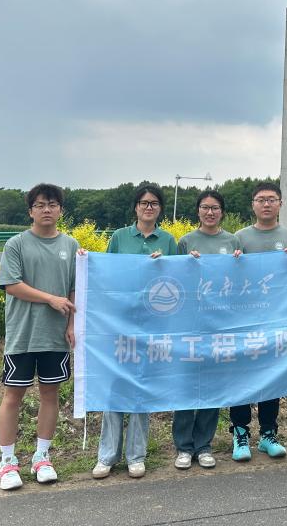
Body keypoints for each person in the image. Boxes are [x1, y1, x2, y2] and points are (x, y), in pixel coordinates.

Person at [0, 183, 79, 491]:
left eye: (52, 204)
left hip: (55, 335)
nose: (47, 209)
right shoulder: (16, 244)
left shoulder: (70, 245)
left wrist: (71, 323)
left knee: (50, 395)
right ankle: (7, 462)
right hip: (23, 334)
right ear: (30, 211)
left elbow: (75, 287)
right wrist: (50, 299)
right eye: (40, 205)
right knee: (13, 396)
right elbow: (11, 284)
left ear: (60, 210)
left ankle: (42, 457)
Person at [93, 183, 178, 480]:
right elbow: (105, 274)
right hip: (119, 324)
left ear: (160, 209)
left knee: (141, 387)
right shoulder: (119, 237)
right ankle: (107, 455)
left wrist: (162, 266)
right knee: (114, 386)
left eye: (154, 203)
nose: (148, 207)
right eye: (144, 203)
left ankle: (136, 455)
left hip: (152, 326)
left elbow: (177, 281)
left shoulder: (168, 240)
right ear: (135, 207)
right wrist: (86, 259)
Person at [229, 181, 287, 462]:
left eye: (272, 199)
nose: (266, 204)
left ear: (281, 204)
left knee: (272, 376)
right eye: (261, 199)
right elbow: (229, 278)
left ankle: (268, 434)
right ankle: (240, 433)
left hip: (276, 321)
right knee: (241, 377)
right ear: (253, 205)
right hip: (244, 322)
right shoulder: (239, 238)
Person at [172, 190, 243, 470]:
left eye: (215, 208)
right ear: (198, 211)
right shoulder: (186, 241)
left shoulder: (233, 241)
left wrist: (239, 260)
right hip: (190, 324)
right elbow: (175, 279)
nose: (210, 212)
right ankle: (183, 446)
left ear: (222, 212)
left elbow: (242, 280)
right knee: (186, 384)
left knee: (211, 386)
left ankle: (204, 445)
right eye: (205, 207)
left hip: (220, 325)